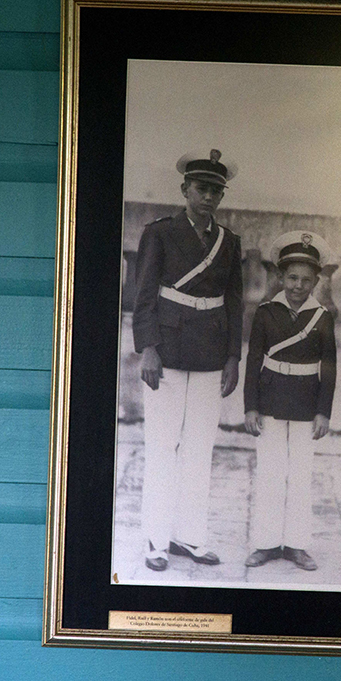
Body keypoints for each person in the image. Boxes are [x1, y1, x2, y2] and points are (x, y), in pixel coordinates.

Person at [131, 149, 243, 571]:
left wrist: (233, 356)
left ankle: (190, 537)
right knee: (162, 448)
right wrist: (149, 348)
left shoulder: (229, 242)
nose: (209, 196)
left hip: (211, 355)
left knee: (199, 450)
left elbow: (233, 302)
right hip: (169, 352)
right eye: (201, 188)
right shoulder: (160, 233)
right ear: (185, 190)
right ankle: (156, 541)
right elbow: (143, 295)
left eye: (216, 190)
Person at [243, 231, 336, 572]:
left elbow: (329, 367)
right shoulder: (266, 313)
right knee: (269, 473)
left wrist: (324, 412)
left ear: (316, 282)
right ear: (280, 277)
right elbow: (253, 360)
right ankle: (266, 544)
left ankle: (297, 545)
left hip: (305, 406)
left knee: (300, 475)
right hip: (269, 402)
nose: (298, 285)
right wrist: (250, 406)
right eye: (292, 278)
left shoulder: (323, 317)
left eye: (306, 280)